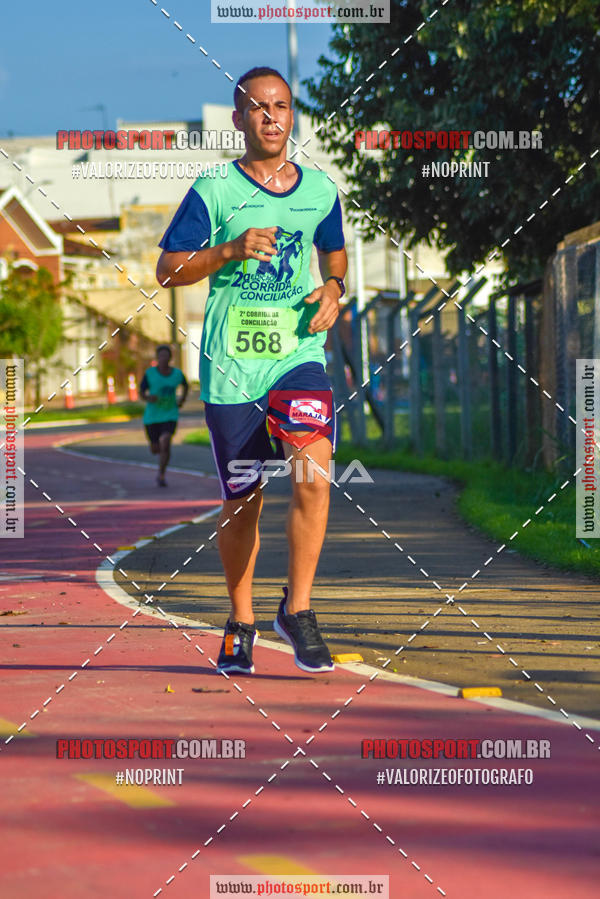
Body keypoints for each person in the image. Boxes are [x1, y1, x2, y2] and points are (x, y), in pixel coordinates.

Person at [156, 66, 347, 675]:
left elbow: (332, 250)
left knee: (315, 475)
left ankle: (300, 608)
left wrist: (335, 288)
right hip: (233, 365)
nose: (272, 117)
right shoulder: (213, 190)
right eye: (259, 108)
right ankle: (241, 620)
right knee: (243, 498)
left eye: (283, 106)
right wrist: (230, 250)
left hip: (298, 357)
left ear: (294, 115)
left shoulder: (320, 190)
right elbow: (169, 268)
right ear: (238, 119)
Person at [140, 344, 188, 487]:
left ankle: (161, 474)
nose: (163, 359)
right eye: (160, 356)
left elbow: (185, 385)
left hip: (170, 414)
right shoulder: (150, 374)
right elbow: (141, 392)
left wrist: (182, 399)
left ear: (170, 358)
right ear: (157, 358)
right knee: (156, 449)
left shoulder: (177, 374)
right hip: (152, 417)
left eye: (166, 356)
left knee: (165, 441)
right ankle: (159, 452)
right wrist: (148, 398)